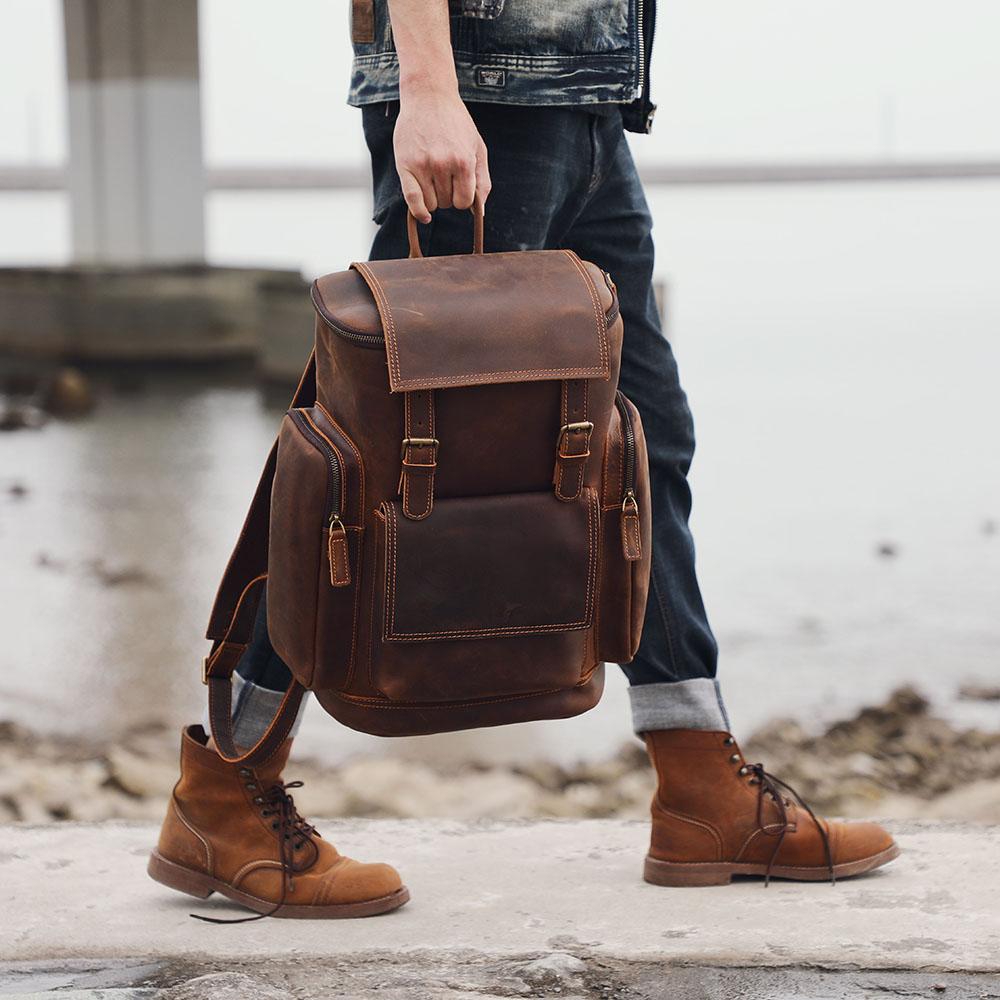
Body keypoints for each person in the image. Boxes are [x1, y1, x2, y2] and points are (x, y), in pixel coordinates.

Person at [149, 0, 899, 919]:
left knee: (646, 439)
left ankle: (700, 783)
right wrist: (429, 88)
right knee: (366, 459)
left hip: (584, 101)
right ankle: (226, 789)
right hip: (482, 99)